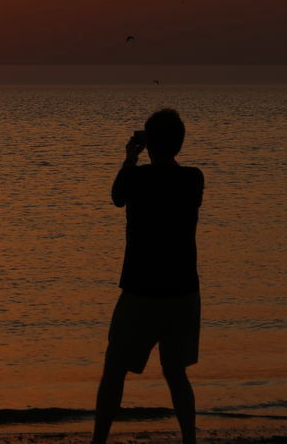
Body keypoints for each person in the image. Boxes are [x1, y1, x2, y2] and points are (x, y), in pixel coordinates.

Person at [91, 108, 204, 444]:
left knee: (114, 371)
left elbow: (116, 197)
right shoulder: (193, 179)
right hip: (183, 292)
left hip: (141, 292)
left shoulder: (137, 178)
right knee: (176, 373)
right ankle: (189, 440)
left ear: (150, 143)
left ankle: (99, 441)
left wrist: (129, 158)